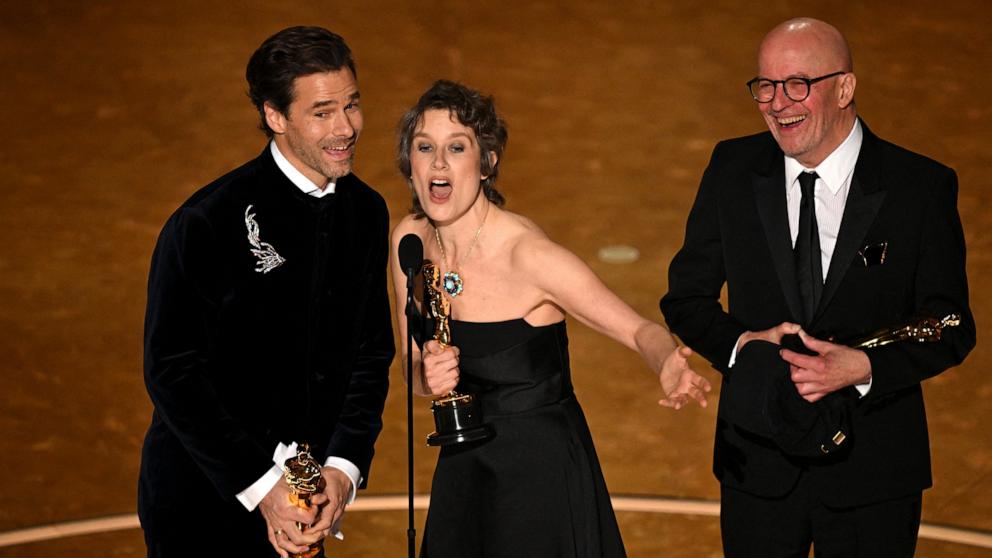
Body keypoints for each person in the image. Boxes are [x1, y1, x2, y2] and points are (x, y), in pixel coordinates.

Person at [660, 17, 975, 557]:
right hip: (756, 462)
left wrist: (865, 366)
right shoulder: (732, 168)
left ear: (845, 88)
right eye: (766, 85)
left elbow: (951, 324)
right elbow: (686, 298)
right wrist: (744, 346)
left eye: (798, 83)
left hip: (872, 471)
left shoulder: (919, 187)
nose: (778, 103)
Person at [390, 80, 711, 558]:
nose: (438, 163)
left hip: (541, 479)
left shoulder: (531, 257)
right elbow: (410, 366)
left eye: (456, 148)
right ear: (410, 163)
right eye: (424, 147)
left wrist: (667, 361)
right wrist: (424, 374)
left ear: (487, 163)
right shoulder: (410, 242)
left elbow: (638, 329)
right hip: (463, 469)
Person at [138, 26, 393, 558]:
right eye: (322, 112)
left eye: (351, 105)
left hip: (305, 506)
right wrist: (263, 487)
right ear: (275, 116)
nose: (345, 127)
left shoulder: (366, 212)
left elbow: (370, 355)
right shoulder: (206, 222)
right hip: (202, 505)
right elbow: (172, 372)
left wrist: (342, 470)